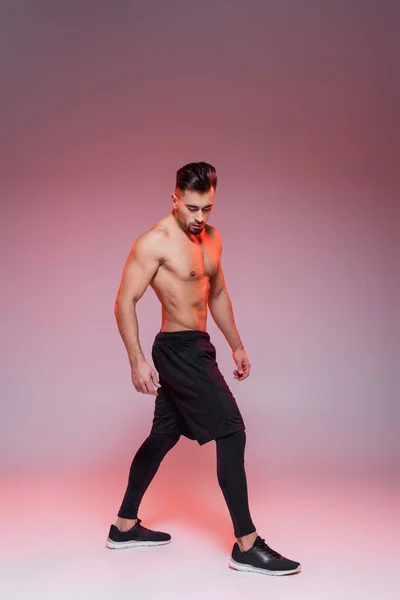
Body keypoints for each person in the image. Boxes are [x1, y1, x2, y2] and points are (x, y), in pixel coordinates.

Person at [106, 162, 301, 576]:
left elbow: (219, 294)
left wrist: (236, 345)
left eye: (207, 208)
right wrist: (137, 360)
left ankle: (123, 526)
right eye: (191, 208)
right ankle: (247, 545)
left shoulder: (213, 238)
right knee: (232, 430)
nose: (199, 218)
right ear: (174, 198)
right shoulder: (154, 242)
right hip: (176, 349)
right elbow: (124, 301)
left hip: (201, 345)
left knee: (162, 436)